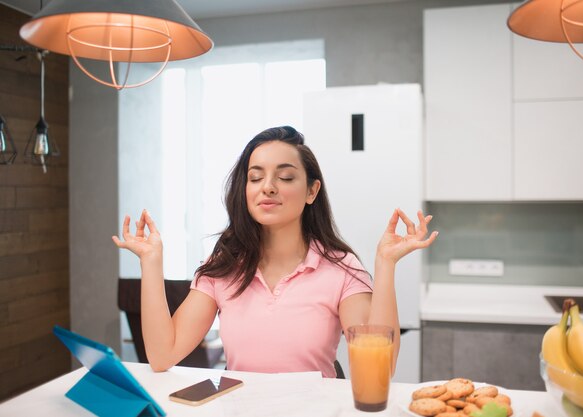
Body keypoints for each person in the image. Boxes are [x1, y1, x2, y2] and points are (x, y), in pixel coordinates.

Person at [113, 126, 437, 377]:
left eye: (284, 177)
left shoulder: (340, 268)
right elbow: (161, 355)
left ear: (312, 191)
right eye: (256, 177)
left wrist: (385, 264)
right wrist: (151, 262)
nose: (268, 186)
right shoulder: (224, 265)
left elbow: (378, 370)